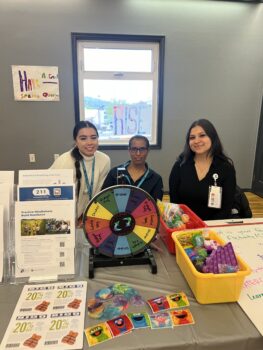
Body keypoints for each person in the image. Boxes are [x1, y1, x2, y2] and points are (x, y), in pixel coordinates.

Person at [169, 119, 236, 220]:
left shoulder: (226, 168)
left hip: (213, 227)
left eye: (202, 135)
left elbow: (226, 208)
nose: (196, 141)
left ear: (212, 137)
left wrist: (207, 228)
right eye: (192, 137)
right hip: (185, 226)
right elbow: (174, 202)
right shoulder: (180, 165)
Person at [50, 121, 111, 220]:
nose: (90, 142)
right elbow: (57, 197)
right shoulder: (64, 161)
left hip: (87, 216)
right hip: (63, 217)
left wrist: (86, 216)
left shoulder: (104, 160)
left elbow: (98, 193)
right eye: (83, 138)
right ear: (76, 141)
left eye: (93, 137)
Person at [101, 135, 163, 201]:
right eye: (134, 149)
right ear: (129, 150)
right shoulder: (114, 173)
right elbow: (103, 199)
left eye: (142, 149)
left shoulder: (156, 179)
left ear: (148, 151)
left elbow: (155, 207)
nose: (138, 153)